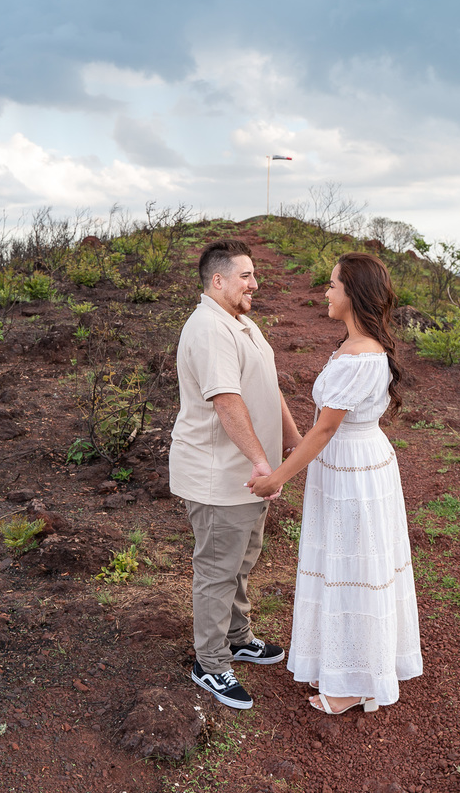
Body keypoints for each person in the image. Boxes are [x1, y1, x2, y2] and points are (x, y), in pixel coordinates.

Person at [248, 252, 422, 715]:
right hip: (357, 461)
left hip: (352, 466)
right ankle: (348, 668)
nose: (325, 292)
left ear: (353, 294)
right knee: (351, 560)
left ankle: (354, 684)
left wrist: (277, 478)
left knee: (353, 565)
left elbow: (325, 429)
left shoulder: (359, 356)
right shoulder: (360, 347)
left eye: (332, 285)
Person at [169, 238, 302, 709]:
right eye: (246, 276)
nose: (254, 284)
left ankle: (237, 636)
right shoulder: (209, 328)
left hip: (246, 474)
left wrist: (291, 440)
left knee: (242, 560)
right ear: (218, 280)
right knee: (218, 570)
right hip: (220, 476)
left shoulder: (242, 323)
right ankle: (210, 662)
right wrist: (262, 462)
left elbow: (268, 386)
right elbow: (226, 400)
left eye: (254, 275)